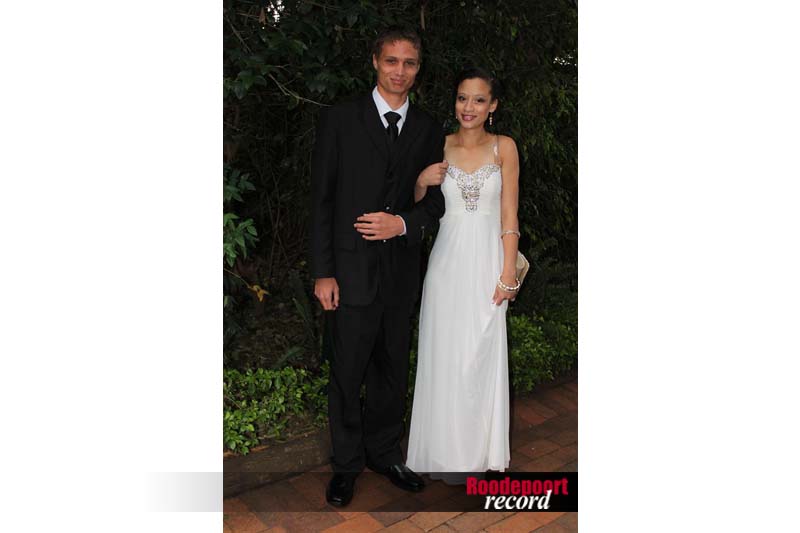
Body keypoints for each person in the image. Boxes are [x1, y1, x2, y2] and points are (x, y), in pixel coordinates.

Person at [309, 27, 447, 507]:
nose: (399, 71)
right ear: (375, 62)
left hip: (400, 274)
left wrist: (402, 224)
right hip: (348, 274)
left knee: (391, 370)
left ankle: (385, 454)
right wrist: (323, 271)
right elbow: (322, 199)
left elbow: (435, 205)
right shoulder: (341, 119)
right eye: (391, 61)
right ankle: (346, 465)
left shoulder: (428, 129)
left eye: (409, 63)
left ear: (418, 68)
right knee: (347, 372)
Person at [406, 67, 520, 480]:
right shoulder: (438, 144)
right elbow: (419, 208)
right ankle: (442, 453)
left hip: (488, 264)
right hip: (446, 265)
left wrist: (508, 273)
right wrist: (421, 182)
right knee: (445, 357)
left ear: (493, 106)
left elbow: (509, 216)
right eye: (462, 98)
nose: (468, 107)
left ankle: (479, 453)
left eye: (478, 99)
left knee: (480, 355)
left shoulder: (504, 147)